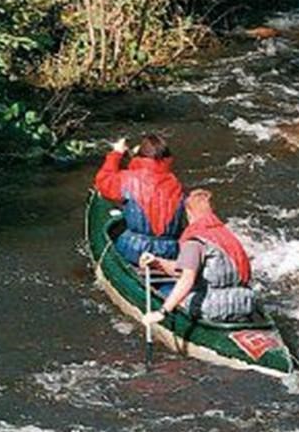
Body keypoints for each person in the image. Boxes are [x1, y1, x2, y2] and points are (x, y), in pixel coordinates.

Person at [140, 190, 254, 325]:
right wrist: (157, 262)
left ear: (189, 213)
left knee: (165, 289)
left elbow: (186, 278)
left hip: (211, 309)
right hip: (245, 304)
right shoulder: (226, 235)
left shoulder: (194, 242)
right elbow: (182, 269)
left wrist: (162, 312)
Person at [94, 133, 186, 265]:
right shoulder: (175, 183)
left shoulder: (128, 179)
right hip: (169, 251)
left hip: (134, 249)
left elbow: (103, 182)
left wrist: (116, 153)